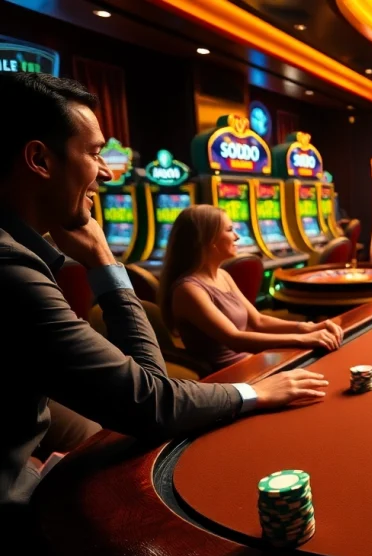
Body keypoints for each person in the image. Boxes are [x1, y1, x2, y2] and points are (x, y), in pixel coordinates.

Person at [0, 73, 330, 511]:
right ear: (39, 159)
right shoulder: (10, 269)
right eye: (95, 153)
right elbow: (152, 400)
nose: (107, 171)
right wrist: (256, 392)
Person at [159, 205, 343, 372]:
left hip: (250, 361)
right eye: (230, 230)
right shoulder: (188, 290)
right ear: (208, 239)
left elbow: (258, 321)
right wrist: (302, 340)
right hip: (226, 378)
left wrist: (307, 328)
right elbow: (235, 339)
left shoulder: (223, 275)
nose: (237, 236)